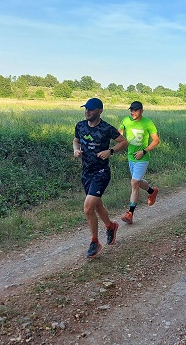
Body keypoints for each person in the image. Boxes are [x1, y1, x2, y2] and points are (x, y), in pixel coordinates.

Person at [73, 97, 128, 258]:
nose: (87, 111)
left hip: (101, 173)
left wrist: (110, 151)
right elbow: (76, 141)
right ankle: (110, 226)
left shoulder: (106, 128)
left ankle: (94, 242)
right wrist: (76, 150)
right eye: (86, 108)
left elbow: (124, 142)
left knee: (88, 207)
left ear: (99, 111)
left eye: (90, 109)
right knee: (97, 206)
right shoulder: (80, 126)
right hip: (86, 173)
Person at [118, 101, 161, 224]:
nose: (132, 112)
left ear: (142, 111)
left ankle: (130, 213)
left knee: (134, 182)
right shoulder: (125, 120)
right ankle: (152, 191)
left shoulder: (148, 123)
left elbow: (156, 140)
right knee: (138, 182)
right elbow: (119, 133)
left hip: (142, 158)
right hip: (131, 157)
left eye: (135, 110)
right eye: (131, 110)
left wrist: (144, 151)